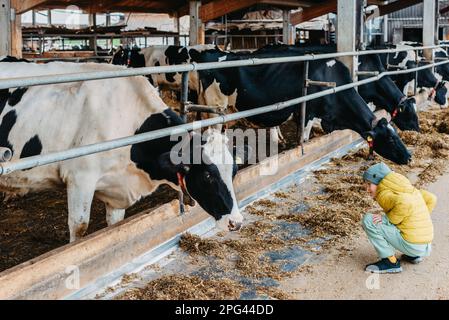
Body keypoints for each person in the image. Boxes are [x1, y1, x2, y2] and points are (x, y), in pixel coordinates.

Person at [362, 162, 436, 273]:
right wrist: (416, 220)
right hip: (425, 245)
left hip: (412, 244)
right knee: (402, 222)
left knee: (368, 220)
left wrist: (387, 219)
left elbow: (404, 203)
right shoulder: (407, 189)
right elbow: (431, 198)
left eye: (369, 184)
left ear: (378, 181)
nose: (367, 189)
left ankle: (390, 262)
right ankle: (413, 255)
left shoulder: (383, 193)